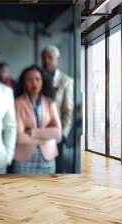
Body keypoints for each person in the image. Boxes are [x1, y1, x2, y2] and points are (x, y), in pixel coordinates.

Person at [11, 65, 61, 174]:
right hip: (23, 158)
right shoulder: (17, 103)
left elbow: (57, 132)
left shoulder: (50, 102)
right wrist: (47, 134)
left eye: (37, 79)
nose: (34, 83)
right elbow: (19, 137)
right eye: (29, 80)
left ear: (43, 81)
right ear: (24, 82)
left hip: (47, 157)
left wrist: (31, 132)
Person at [41, 45, 74, 173]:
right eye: (44, 58)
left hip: (56, 136)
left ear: (57, 60)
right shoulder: (38, 78)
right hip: (38, 133)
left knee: (56, 172)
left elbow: (68, 111)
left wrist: (62, 135)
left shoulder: (66, 81)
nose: (46, 61)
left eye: (50, 58)